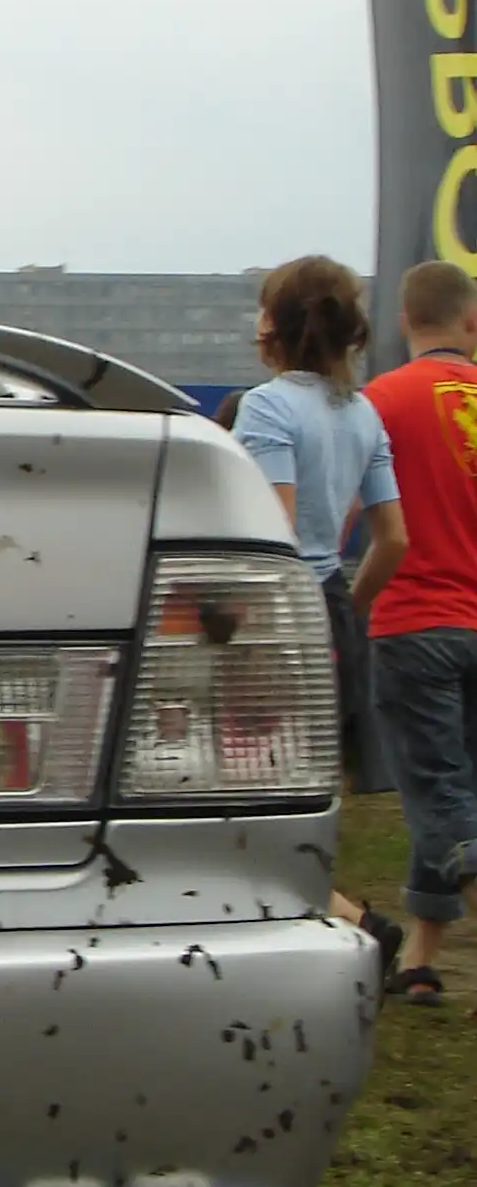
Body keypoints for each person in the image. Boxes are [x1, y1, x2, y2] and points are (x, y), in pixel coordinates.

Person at [232, 255, 407, 953]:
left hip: (274, 615)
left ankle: (345, 923)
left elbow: (270, 531)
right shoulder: (362, 413)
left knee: (245, 789)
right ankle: (338, 920)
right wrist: (349, 609)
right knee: (303, 794)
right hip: (331, 601)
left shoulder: (266, 406)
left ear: (274, 324)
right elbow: (393, 539)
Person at [364, 259, 477, 1004]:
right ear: (471, 321)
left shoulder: (382, 401)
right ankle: (421, 959)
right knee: (453, 796)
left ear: (404, 320)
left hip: (413, 621)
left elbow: (353, 513)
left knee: (439, 797)